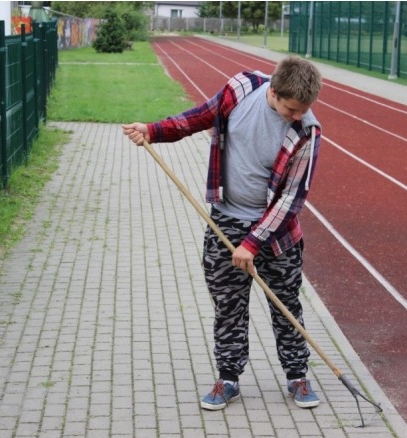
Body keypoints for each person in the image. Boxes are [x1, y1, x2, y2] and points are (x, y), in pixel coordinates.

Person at [122, 55, 323, 411]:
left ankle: (297, 376)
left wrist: (252, 243)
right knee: (228, 307)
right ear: (274, 92)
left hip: (277, 235)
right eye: (292, 108)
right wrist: (153, 130)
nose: (298, 115)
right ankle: (228, 378)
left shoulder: (307, 130)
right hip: (225, 221)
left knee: (286, 305)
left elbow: (291, 199)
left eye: (303, 110)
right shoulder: (241, 89)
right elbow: (198, 117)